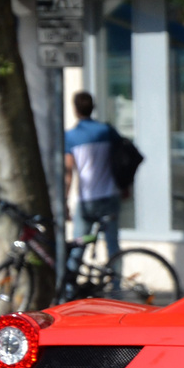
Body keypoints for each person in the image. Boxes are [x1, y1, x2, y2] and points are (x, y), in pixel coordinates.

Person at [63, 91, 122, 260]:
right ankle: (116, 284)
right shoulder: (107, 131)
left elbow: (69, 173)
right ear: (93, 107)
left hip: (87, 199)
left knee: (78, 246)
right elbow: (119, 160)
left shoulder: (71, 136)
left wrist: (66, 200)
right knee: (113, 245)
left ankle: (70, 285)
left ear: (75, 109)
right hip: (110, 195)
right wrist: (126, 187)